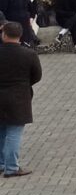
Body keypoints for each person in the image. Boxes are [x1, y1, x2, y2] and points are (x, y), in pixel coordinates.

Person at [0, 20, 43, 178]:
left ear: (3, 34)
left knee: (1, 131)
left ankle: (1, 163)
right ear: (20, 35)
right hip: (19, 96)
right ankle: (11, 167)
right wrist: (24, 84)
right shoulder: (29, 53)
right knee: (14, 132)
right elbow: (37, 75)